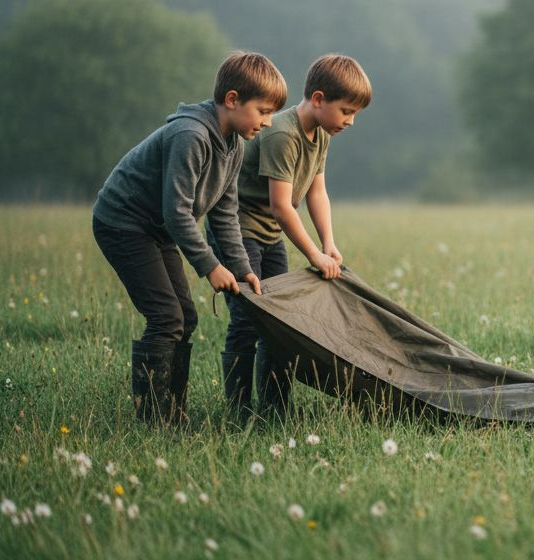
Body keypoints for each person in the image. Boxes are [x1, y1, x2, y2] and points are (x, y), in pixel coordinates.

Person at [92, 52, 288, 426]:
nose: (267, 121)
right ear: (232, 100)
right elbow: (177, 211)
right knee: (166, 317)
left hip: (159, 230)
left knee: (186, 315)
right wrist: (211, 266)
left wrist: (242, 268)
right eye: (262, 110)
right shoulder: (191, 135)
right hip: (124, 223)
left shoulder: (234, 145)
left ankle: (174, 416)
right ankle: (154, 421)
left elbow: (225, 214)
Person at [211, 54, 372, 418]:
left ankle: (275, 408)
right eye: (346, 111)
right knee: (249, 316)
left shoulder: (322, 136)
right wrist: (314, 256)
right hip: (239, 231)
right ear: (318, 99)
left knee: (282, 320)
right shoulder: (282, 134)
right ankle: (238, 410)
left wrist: (328, 243)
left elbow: (317, 192)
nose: (350, 121)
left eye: (354, 114)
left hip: (269, 236)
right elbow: (282, 206)